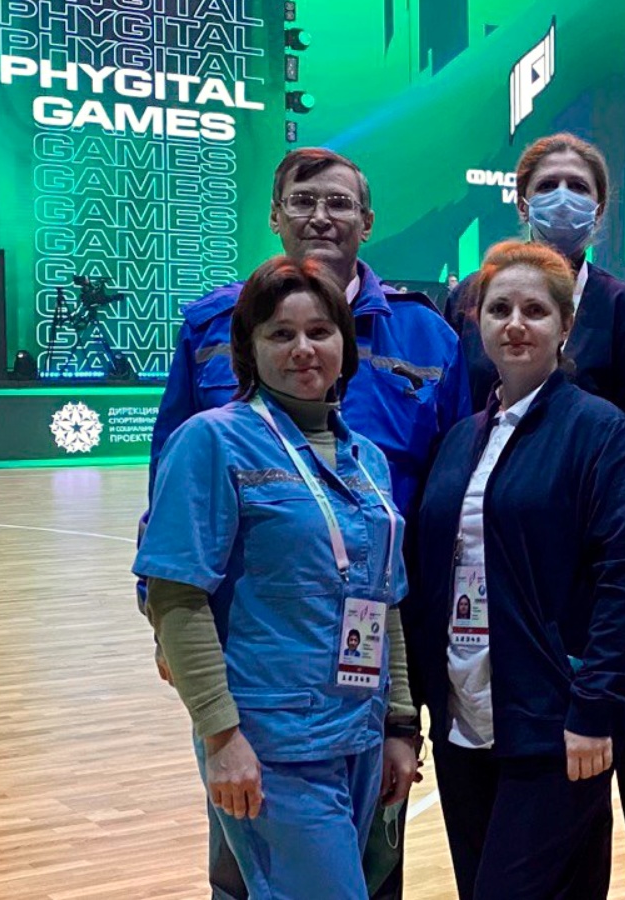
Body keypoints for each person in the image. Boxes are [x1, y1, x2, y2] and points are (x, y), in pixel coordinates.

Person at [145, 147, 468, 900]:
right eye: (280, 335)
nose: (302, 350)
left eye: (320, 333)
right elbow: (176, 584)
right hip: (269, 731)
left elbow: (385, 597)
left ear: (346, 347)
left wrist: (398, 722)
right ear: (247, 347)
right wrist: (219, 732)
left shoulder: (365, 458)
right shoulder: (214, 438)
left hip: (358, 727)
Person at [409, 240, 625, 899]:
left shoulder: (601, 432)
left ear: (565, 325)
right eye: (499, 310)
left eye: (535, 310)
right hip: (464, 718)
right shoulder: (460, 439)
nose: (515, 324)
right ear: (478, 323)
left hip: (555, 722)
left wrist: (596, 706)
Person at [451, 133, 625, 413]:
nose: (562, 199)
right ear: (523, 206)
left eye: (578, 187)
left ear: (598, 211)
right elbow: (447, 401)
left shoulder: (623, 306)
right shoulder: (470, 295)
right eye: (547, 186)